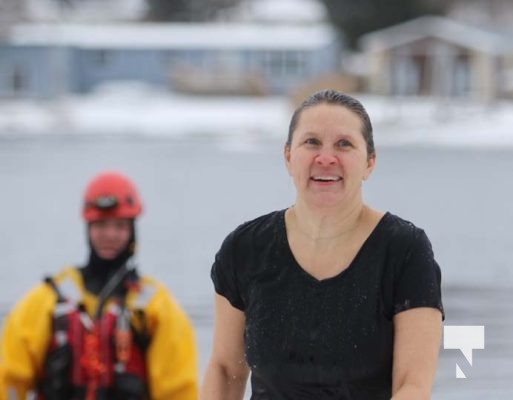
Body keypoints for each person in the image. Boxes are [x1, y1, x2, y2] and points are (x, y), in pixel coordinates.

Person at [201, 89, 444, 400]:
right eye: (311, 142)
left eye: (344, 144)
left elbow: (412, 386)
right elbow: (225, 369)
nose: (326, 158)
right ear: (288, 157)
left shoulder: (405, 250)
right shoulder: (245, 248)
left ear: (369, 162)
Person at [0, 171, 198, 400]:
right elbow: (11, 377)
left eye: (120, 226)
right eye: (101, 225)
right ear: (88, 227)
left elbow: (178, 390)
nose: (110, 235)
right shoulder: (46, 300)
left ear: (132, 230)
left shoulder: (156, 305)